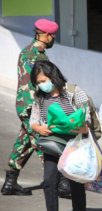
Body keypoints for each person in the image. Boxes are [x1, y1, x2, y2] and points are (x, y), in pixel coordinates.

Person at [1, 18, 61, 196]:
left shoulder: (29, 51)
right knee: (44, 142)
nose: (53, 40)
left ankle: (11, 182)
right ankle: (58, 182)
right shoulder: (36, 56)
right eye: (53, 36)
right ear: (47, 36)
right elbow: (40, 84)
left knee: (25, 142)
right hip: (32, 106)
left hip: (26, 105)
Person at [30, 61, 88, 211]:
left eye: (43, 80)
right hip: (52, 143)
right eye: (38, 82)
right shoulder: (40, 97)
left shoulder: (73, 91)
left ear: (53, 75)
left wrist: (79, 127)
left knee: (75, 182)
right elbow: (33, 120)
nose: (42, 85)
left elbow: (88, 117)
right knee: (49, 181)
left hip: (74, 143)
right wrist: (39, 128)